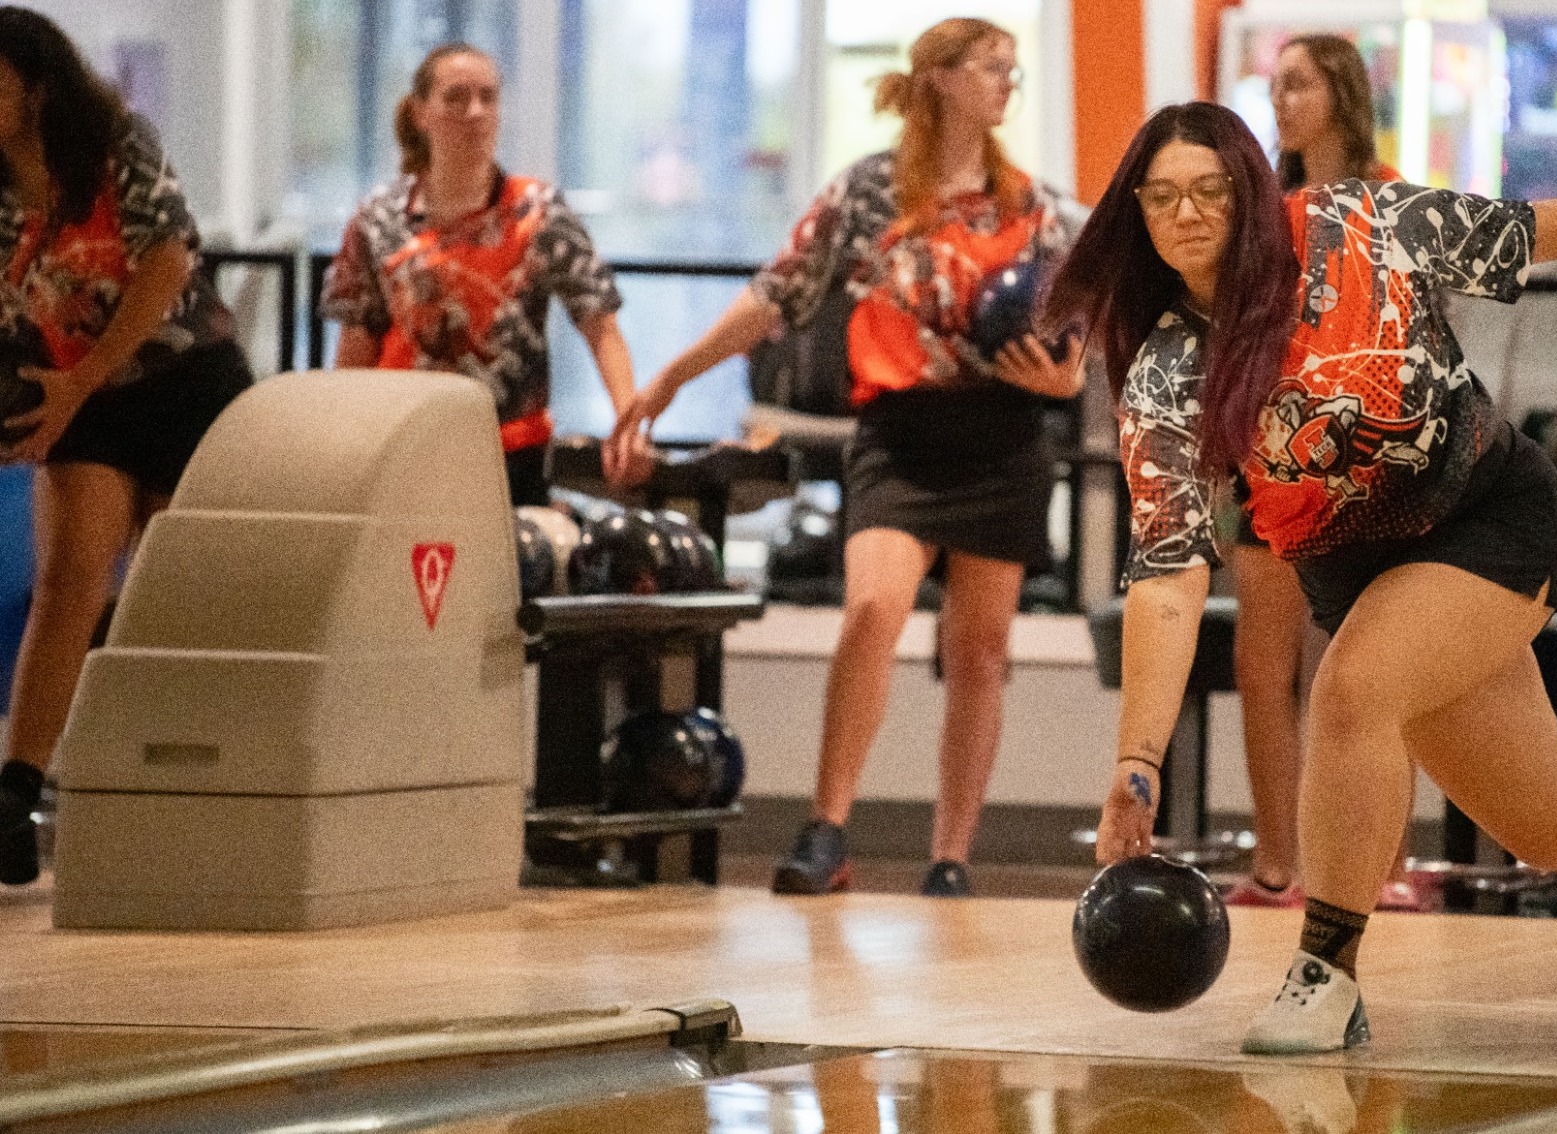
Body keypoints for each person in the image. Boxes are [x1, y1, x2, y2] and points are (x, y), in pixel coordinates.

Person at [1044, 101, 1557, 1054]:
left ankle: (1325, 975)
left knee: (1348, 691)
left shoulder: (1354, 225)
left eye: (1208, 190)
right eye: (1161, 197)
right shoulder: (1168, 370)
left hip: (1490, 521)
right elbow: (1170, 575)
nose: (1185, 214)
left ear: (1250, 192)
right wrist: (1135, 761)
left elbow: (1522, 232)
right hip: (1363, 577)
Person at [617, 18, 1081, 898]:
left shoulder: (1031, 204)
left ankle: (951, 856)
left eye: (1013, 73)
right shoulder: (868, 191)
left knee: (979, 651)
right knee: (872, 608)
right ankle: (827, 829)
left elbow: (1080, 320)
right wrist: (673, 376)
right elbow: (776, 293)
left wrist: (1068, 384)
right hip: (899, 438)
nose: (1005, 84)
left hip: (1003, 437)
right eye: (991, 67)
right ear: (938, 77)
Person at [0, 6, 253, 884]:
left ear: (34, 84)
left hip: (186, 378)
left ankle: (181, 791)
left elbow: (168, 260)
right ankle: (17, 795)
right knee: (68, 580)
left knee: (167, 590)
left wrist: (85, 377)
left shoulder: (115, 143)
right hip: (79, 393)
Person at [1226, 33, 1417, 913]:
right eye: (1275, 85)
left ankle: (1375, 865)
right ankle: (1275, 863)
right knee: (1262, 666)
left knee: (1356, 667)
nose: (1280, 100)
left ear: (1340, 93)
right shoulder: (1256, 204)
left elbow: (1410, 334)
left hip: (1360, 457)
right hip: (1266, 449)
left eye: (1296, 84)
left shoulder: (1388, 201)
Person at [321, 43, 648, 504]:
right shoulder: (378, 220)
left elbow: (600, 321)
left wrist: (627, 420)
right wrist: (342, 445)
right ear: (420, 113)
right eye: (455, 97)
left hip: (508, 451)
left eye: (487, 97)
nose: (474, 112)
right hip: (399, 446)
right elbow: (357, 344)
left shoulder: (537, 211)